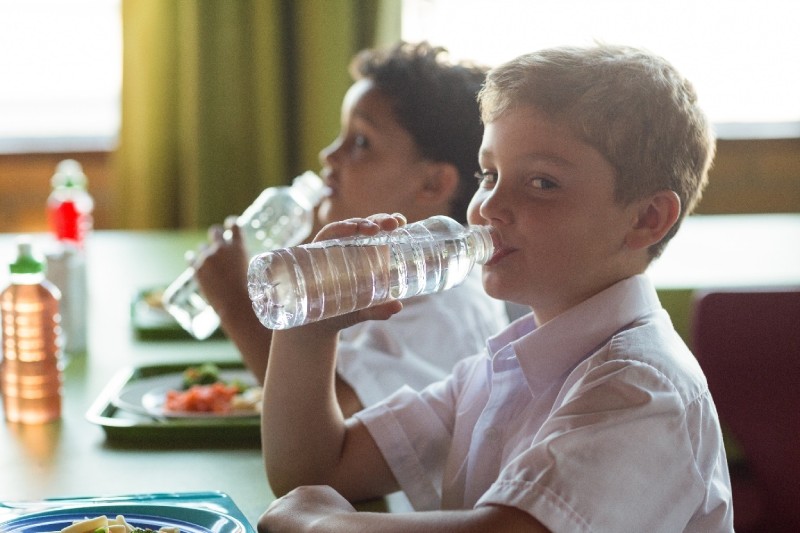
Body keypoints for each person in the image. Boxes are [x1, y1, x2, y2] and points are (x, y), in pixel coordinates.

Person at [257, 43, 734, 531]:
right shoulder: (498, 371)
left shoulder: (641, 387)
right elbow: (318, 466)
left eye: (542, 183)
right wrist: (310, 325)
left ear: (645, 219)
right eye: (490, 174)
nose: (488, 206)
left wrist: (323, 525)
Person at [193, 41, 509, 418]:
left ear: (432, 185)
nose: (329, 155)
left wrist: (236, 304)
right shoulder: (381, 268)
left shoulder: (444, 307)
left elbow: (331, 421)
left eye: (360, 142)